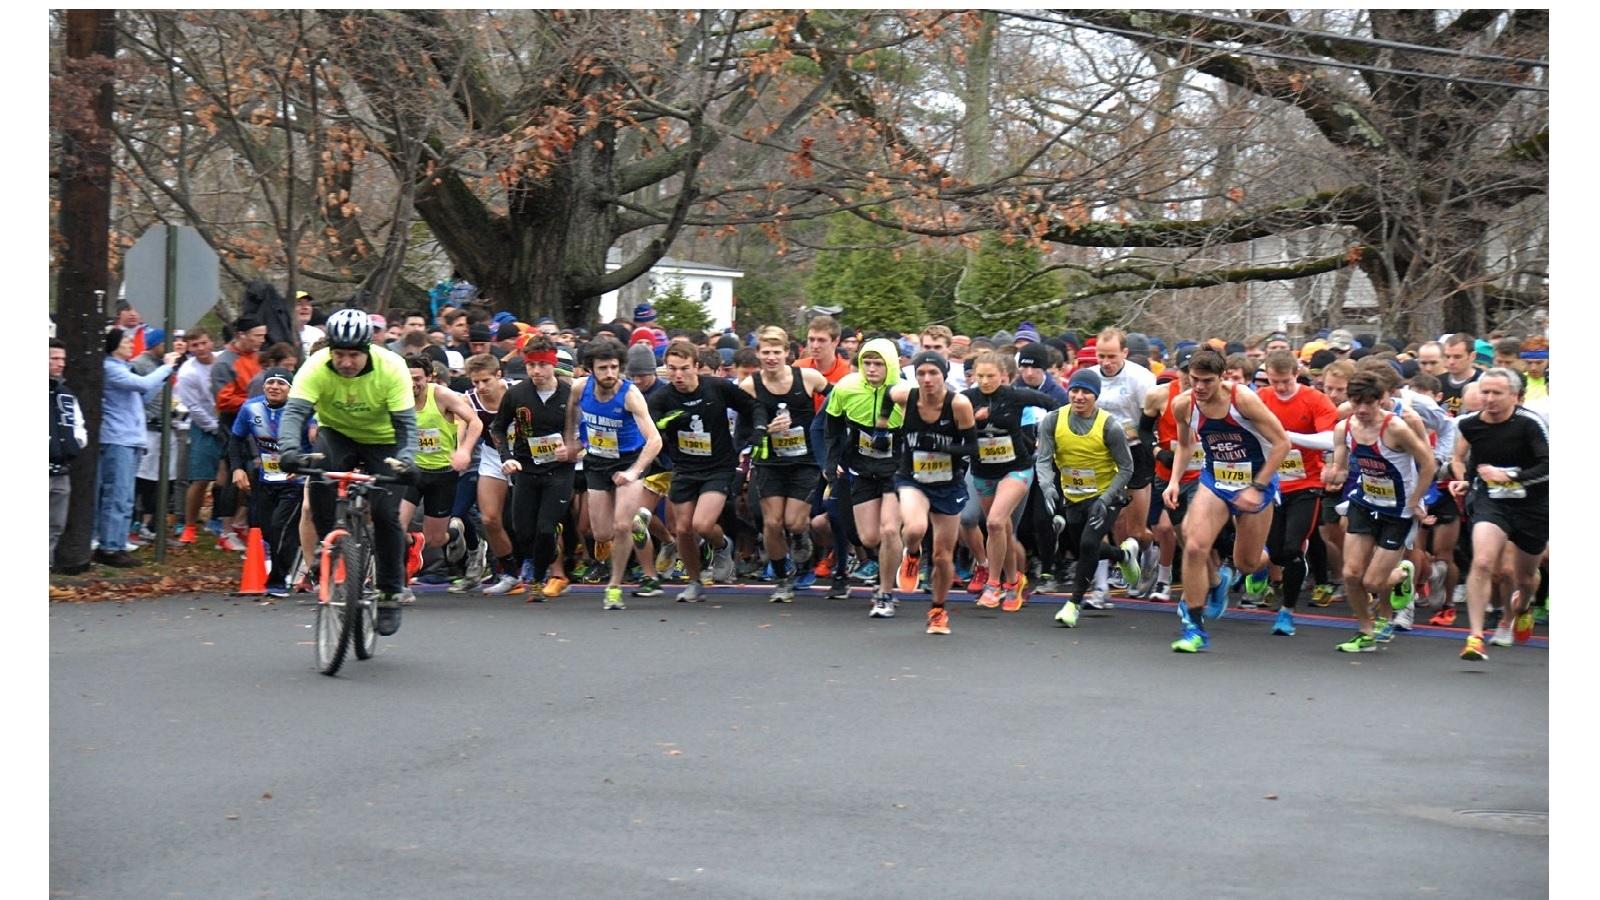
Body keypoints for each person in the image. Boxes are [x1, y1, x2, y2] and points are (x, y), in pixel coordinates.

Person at [277, 309, 418, 637]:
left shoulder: (391, 367)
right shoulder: (315, 366)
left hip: (386, 440)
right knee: (321, 486)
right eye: (339, 354)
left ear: (367, 350)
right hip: (337, 435)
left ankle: (389, 591)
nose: (345, 362)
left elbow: (408, 427)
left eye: (353, 355)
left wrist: (407, 458)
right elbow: (295, 413)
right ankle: (335, 551)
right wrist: (287, 450)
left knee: (385, 514)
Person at [1162, 349, 1292, 653]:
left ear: (1222, 378)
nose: (1200, 387)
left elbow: (1282, 443)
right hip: (1215, 480)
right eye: (1195, 380)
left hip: (1255, 479)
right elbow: (1185, 445)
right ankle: (1194, 629)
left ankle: (1260, 566)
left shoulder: (1242, 400)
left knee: (1245, 562)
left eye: (1207, 381)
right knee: (1194, 546)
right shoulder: (1183, 404)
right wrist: (1173, 482)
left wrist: (1257, 487)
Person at [1321, 368, 1436, 652]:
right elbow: (1342, 466)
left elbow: (1428, 463)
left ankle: (1402, 574)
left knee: (1373, 581)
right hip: (1365, 502)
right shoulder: (1344, 428)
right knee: (1351, 574)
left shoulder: (1396, 427)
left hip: (1398, 511)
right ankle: (1365, 630)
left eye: (1368, 403)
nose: (1362, 409)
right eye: (1356, 402)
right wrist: (1334, 473)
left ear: (1381, 400)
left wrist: (1416, 501)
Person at [649, 340, 766, 600]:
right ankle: (694, 582)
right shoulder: (662, 397)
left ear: (697, 367)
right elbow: (652, 426)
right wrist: (665, 425)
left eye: (684, 368)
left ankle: (723, 545)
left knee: (701, 524)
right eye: (672, 369)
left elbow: (753, 407)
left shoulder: (718, 388)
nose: (678, 375)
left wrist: (758, 430)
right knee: (683, 529)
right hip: (684, 468)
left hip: (718, 468)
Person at [1449, 368, 1549, 660]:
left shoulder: (1529, 423)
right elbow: (1477, 459)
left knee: (1524, 575)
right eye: (1485, 392)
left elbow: (1549, 465)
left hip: (1533, 506)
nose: (1489, 399)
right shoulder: (1469, 424)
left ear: (1515, 397)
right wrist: (1466, 480)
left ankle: (1519, 609)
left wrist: (1510, 476)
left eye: (1497, 393)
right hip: (1492, 501)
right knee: (1483, 562)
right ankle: (1476, 636)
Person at [562, 340, 663, 610]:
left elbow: (654, 441)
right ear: (590, 369)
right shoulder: (580, 388)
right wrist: (571, 439)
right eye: (603, 368)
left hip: (628, 461)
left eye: (614, 367)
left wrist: (633, 472)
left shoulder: (630, 395)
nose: (609, 373)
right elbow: (571, 410)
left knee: (621, 526)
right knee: (602, 534)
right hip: (597, 461)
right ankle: (638, 520)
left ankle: (614, 586)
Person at [1036, 368, 1141, 628]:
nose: (1079, 396)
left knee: (1087, 545)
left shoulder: (1109, 426)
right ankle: (1123, 555)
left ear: (1096, 396)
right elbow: (1044, 460)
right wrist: (1048, 487)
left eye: (1086, 392)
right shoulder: (1052, 421)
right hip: (1073, 495)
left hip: (1107, 494)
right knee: (1082, 547)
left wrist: (1105, 500)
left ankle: (1073, 604)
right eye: (1075, 390)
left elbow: (1126, 468)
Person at [963, 350, 1062, 611]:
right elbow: (948, 424)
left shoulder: (1014, 395)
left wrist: (1048, 439)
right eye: (980, 376)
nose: (985, 381)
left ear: (1004, 376)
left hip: (1016, 469)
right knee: (1002, 529)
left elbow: (1054, 404)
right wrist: (972, 420)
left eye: (991, 376)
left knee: (995, 522)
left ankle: (993, 584)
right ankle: (1013, 581)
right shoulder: (966, 400)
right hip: (983, 471)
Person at [887, 351, 976, 634]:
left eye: (933, 373)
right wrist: (881, 425)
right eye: (921, 373)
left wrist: (945, 448)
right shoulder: (907, 396)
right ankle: (912, 554)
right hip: (913, 477)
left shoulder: (959, 404)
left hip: (948, 483)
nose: (926, 379)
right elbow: (887, 394)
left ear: (944, 375)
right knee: (914, 527)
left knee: (942, 556)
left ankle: (938, 610)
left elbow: (973, 448)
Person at [1252, 351, 1341, 636]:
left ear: (1297, 374)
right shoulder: (1261, 397)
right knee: (1277, 552)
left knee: (1292, 547)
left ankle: (1287, 612)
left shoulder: (1315, 399)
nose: (1279, 388)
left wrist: (1287, 438)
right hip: (1272, 484)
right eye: (1274, 381)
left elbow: (1330, 439)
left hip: (1306, 484)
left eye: (1285, 382)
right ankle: (1280, 574)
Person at [742, 326, 828, 602]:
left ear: (787, 354)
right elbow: (741, 431)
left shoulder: (809, 378)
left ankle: (802, 535)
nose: (771, 358)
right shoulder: (749, 386)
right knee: (772, 523)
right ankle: (782, 579)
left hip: (805, 461)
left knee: (793, 521)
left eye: (776, 352)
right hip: (770, 462)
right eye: (765, 352)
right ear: (758, 354)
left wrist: (826, 432)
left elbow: (840, 402)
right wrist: (765, 430)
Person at [824, 338, 906, 617]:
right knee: (869, 537)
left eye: (878, 364)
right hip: (861, 469)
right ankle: (892, 557)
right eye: (866, 363)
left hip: (897, 471)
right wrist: (831, 462)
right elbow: (832, 426)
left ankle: (885, 593)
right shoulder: (846, 387)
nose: (871, 369)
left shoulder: (907, 391)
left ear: (891, 365)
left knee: (890, 530)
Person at [494, 336, 579, 599]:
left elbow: (587, 432)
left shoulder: (570, 395)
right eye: (531, 365)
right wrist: (506, 457)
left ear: (553, 364)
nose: (536, 371)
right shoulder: (517, 394)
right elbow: (497, 428)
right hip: (526, 470)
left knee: (545, 528)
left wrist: (573, 448)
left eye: (542, 365)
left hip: (559, 471)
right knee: (523, 531)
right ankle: (547, 553)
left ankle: (538, 579)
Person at [397, 354, 482, 591]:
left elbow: (475, 422)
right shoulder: (397, 395)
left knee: (435, 539)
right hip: (412, 471)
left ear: (429, 377)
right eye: (407, 378)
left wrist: (464, 450)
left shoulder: (441, 395)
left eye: (417, 379)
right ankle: (398, 586)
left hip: (442, 473)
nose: (412, 383)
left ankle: (454, 534)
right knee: (396, 525)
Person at [97, 328, 180, 567]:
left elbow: (141, 396)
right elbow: (142, 385)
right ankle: (109, 546)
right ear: (113, 344)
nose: (130, 344)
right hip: (117, 437)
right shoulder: (110, 367)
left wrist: (164, 375)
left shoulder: (122, 368)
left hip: (131, 437)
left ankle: (118, 542)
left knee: (126, 496)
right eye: (126, 340)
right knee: (117, 494)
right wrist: (165, 367)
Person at [227, 367, 313, 597]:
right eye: (270, 383)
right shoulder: (250, 408)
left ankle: (278, 580)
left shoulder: (301, 411)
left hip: (295, 480)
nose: (275, 387)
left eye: (281, 384)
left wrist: (303, 465)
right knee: (267, 531)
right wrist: (237, 469)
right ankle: (295, 570)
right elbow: (235, 440)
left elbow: (317, 443)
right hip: (265, 479)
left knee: (280, 527)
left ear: (291, 389)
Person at [173, 329, 224, 545]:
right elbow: (194, 407)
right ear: (189, 348)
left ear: (211, 341)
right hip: (206, 426)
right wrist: (214, 427)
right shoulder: (188, 373)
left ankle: (223, 522)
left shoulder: (223, 360)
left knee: (231, 477)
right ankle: (190, 525)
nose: (201, 349)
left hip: (231, 420)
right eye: (195, 346)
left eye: (203, 343)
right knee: (201, 478)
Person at [50, 341, 87, 566]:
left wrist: (74, 443)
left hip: (61, 470)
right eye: (54, 358)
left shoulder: (65, 394)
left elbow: (79, 426)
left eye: (62, 359)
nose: (60, 364)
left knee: (54, 526)